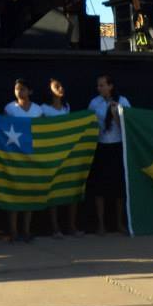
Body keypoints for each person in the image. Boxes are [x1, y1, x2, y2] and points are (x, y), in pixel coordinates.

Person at [0, 78, 43, 243]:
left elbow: (42, 130)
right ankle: (13, 231)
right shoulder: (10, 108)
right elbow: (3, 126)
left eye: (23, 89)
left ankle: (26, 231)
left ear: (30, 91)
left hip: (32, 158)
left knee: (29, 195)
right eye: (17, 88)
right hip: (14, 158)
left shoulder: (38, 109)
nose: (19, 91)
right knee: (14, 195)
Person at [86, 74, 130, 234]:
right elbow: (88, 124)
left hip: (118, 147)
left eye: (102, 85)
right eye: (98, 85)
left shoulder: (123, 101)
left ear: (110, 86)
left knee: (119, 188)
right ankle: (101, 225)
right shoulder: (94, 103)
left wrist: (116, 114)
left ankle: (119, 223)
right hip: (100, 147)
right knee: (100, 187)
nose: (99, 88)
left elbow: (128, 126)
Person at [41, 78, 83, 238]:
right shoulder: (43, 108)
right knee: (54, 191)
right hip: (51, 155)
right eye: (57, 86)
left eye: (62, 85)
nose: (61, 88)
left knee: (71, 189)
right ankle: (55, 228)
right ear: (49, 90)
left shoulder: (67, 107)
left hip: (68, 155)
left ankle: (71, 226)